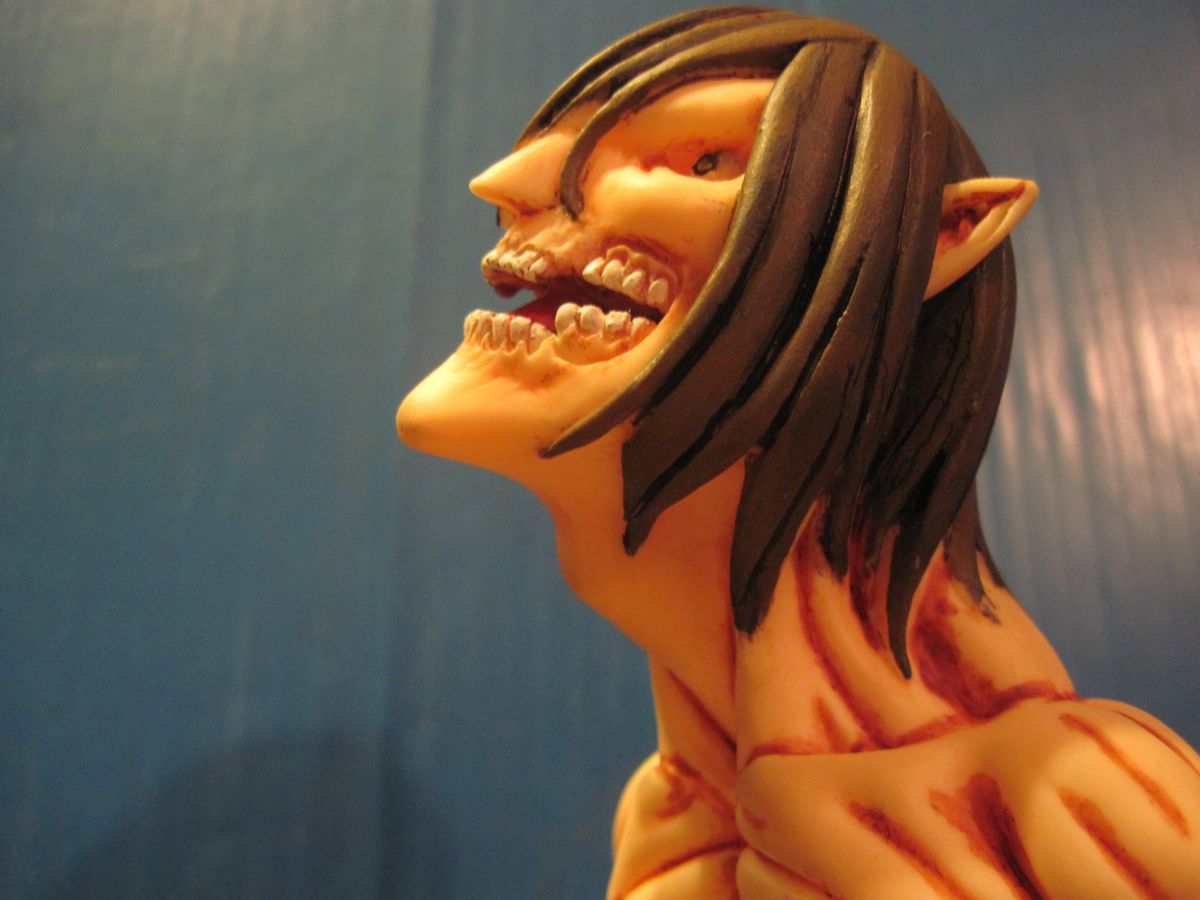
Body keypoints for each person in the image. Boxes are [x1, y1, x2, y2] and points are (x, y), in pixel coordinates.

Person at [399, 9, 1200, 897]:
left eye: (707, 159)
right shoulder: (674, 827)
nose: (504, 182)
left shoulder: (1091, 799)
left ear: (933, 244)